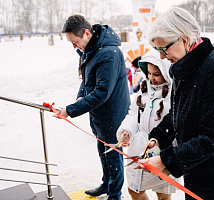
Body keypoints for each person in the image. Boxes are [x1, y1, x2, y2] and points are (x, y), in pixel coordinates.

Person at [136, 7, 214, 200]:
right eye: (157, 50)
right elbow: (180, 113)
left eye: (164, 49)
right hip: (203, 169)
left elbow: (212, 138)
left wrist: (165, 160)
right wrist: (159, 137)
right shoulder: (183, 68)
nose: (161, 56)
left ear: (184, 40)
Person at [57, 15, 131, 200]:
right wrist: (79, 98)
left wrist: (70, 110)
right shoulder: (89, 50)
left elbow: (101, 92)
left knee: (113, 156)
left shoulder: (108, 53)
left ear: (87, 33)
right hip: (99, 114)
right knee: (103, 151)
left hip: (112, 114)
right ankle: (106, 184)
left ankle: (115, 195)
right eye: (71, 43)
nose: (74, 46)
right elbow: (87, 80)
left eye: (75, 41)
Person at [117, 49, 177, 200]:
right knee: (134, 190)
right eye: (149, 73)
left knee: (163, 194)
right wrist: (127, 131)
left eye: (156, 74)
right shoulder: (144, 90)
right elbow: (133, 114)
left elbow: (175, 122)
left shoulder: (174, 94)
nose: (151, 78)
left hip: (161, 150)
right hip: (139, 147)